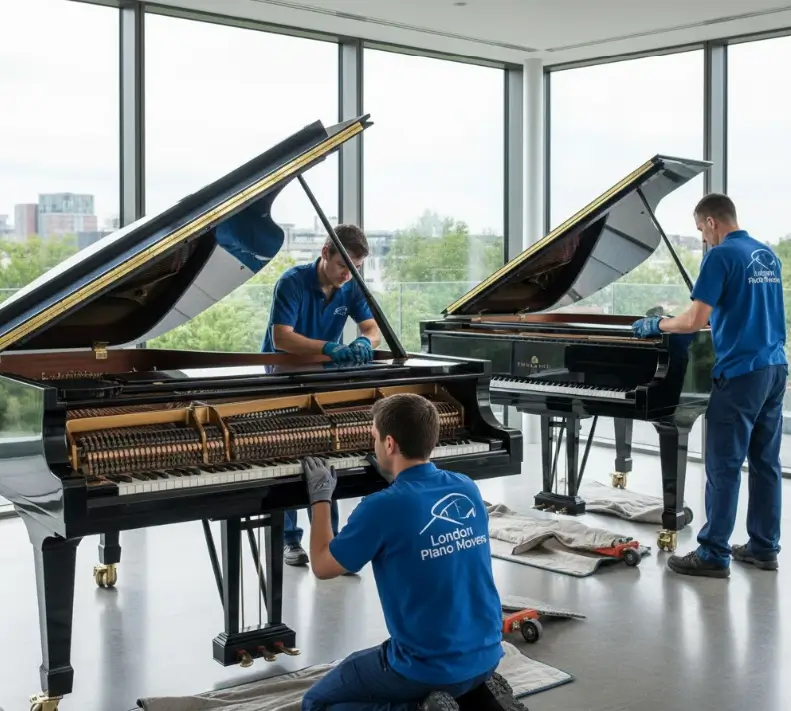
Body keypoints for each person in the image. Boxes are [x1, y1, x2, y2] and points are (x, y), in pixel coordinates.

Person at [298, 393, 526, 711]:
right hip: (487, 655)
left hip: (425, 668)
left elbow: (323, 565)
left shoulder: (382, 507)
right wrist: (395, 478)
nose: (374, 444)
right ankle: (481, 700)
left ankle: (418, 709)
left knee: (316, 703)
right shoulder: (466, 487)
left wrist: (321, 498)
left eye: (375, 437)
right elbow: (418, 514)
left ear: (389, 445)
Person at [631, 193, 787, 578]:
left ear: (712, 222)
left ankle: (714, 553)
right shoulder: (766, 254)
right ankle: (764, 547)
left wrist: (657, 324)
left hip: (740, 373)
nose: (703, 237)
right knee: (766, 463)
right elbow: (743, 310)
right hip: (775, 367)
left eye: (701, 230)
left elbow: (692, 320)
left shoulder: (720, 256)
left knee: (723, 465)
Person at [261, 224, 382, 567]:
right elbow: (282, 339)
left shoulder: (351, 286)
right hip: (283, 378)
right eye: (344, 266)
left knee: (327, 456)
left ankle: (331, 543)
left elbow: (372, 330)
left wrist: (363, 342)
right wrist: (331, 348)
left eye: (355, 268)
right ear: (326, 251)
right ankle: (289, 540)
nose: (348, 274)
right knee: (286, 458)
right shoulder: (292, 282)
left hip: (322, 378)